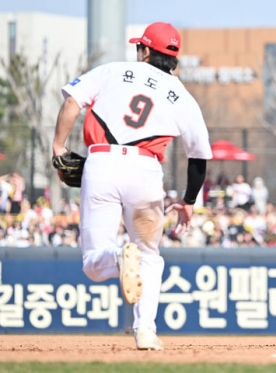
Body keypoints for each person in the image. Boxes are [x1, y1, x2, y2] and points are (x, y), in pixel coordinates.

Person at [51, 22, 212, 350]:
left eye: (140, 46)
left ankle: (118, 258)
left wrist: (58, 146)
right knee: (150, 256)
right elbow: (199, 157)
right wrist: (189, 200)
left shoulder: (113, 70)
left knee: (94, 263)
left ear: (146, 51)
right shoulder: (182, 95)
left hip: (102, 163)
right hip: (145, 170)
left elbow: (71, 102)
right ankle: (146, 332)